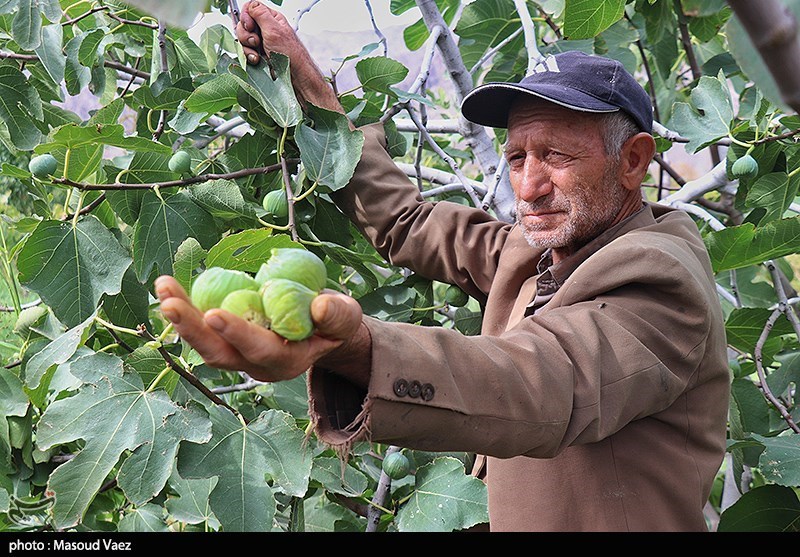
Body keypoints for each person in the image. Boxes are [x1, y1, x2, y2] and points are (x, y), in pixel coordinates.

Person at [155, 0, 731, 532]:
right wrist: (309, 89)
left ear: (633, 161)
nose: (528, 186)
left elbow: (542, 380)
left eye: (557, 157)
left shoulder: (660, 280)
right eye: (516, 157)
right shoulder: (536, 251)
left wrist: (357, 349)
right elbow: (405, 221)